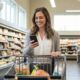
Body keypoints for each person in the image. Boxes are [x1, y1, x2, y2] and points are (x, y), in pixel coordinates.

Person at [23, 7, 60, 75]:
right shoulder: (30, 33)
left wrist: (57, 53)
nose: (38, 20)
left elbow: (58, 51)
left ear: (46, 18)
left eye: (41, 17)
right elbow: (24, 53)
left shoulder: (54, 34)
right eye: (36, 18)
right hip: (33, 67)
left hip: (49, 67)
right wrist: (30, 47)